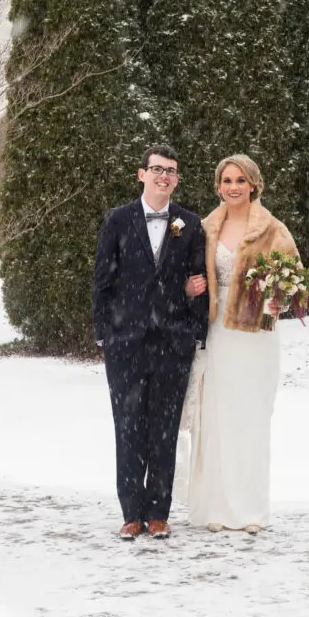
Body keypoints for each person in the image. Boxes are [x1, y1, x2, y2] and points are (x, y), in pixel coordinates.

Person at [93, 145, 209, 540]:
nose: (164, 176)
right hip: (125, 343)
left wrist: (194, 328)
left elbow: (198, 279)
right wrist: (105, 334)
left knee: (164, 429)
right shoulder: (117, 220)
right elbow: (103, 281)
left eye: (171, 171)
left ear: (177, 179)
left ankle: (159, 512)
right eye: (157, 169)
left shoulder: (189, 224)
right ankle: (131, 513)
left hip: (173, 343)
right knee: (128, 428)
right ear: (142, 174)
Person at [185, 154, 299, 534]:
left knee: (250, 418)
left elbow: (295, 281)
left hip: (255, 336)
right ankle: (216, 508)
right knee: (217, 417)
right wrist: (189, 288)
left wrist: (280, 300)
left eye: (240, 180)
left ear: (253, 184)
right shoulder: (205, 228)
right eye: (226, 180)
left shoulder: (272, 229)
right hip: (217, 332)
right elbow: (187, 274)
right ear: (219, 186)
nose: (233, 187)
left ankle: (250, 510)